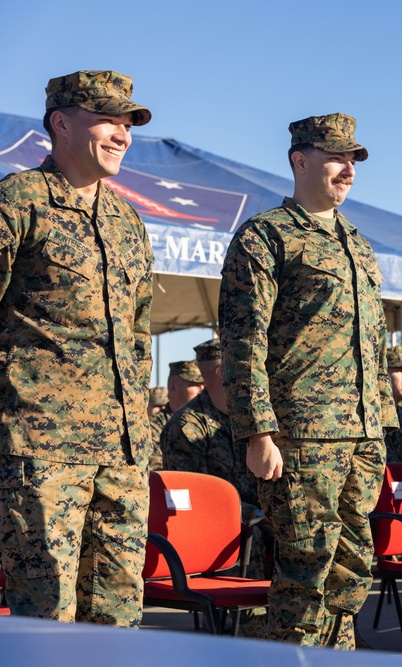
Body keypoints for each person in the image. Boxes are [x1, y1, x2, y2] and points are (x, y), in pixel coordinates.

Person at [220, 113, 396, 649]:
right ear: (300, 160)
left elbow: (376, 341)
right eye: (338, 158)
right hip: (302, 436)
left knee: (350, 570)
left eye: (353, 161)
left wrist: (383, 422)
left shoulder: (358, 245)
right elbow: (243, 339)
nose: (348, 170)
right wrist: (257, 433)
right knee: (304, 573)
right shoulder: (266, 236)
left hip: (361, 435)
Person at [0, 70, 153, 626]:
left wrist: (143, 434)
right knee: (48, 624)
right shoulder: (18, 202)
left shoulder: (127, 221)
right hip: (43, 450)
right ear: (61, 123)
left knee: (119, 622)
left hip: (124, 453)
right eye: (108, 120)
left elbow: (138, 338)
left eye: (128, 123)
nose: (122, 134)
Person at [161, 338, 254, 510]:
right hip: (219, 527)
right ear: (222, 373)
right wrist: (255, 516)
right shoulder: (187, 426)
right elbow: (193, 498)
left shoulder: (254, 414)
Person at [149, 360, 204, 469]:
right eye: (194, 384)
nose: (201, 390)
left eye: (203, 385)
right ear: (173, 387)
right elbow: (155, 468)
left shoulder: (208, 422)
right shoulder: (154, 426)